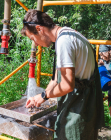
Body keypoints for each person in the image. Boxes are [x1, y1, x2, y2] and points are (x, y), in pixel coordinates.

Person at [21, 9, 104, 140]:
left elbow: (67, 85)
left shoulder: (64, 42)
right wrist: (39, 97)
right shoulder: (69, 34)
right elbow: (56, 79)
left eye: (33, 38)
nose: (36, 44)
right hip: (84, 105)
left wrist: (44, 96)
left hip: (77, 110)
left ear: (39, 29)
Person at [98, 45, 111, 116]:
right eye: (100, 55)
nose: (101, 57)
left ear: (108, 53)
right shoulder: (104, 61)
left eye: (102, 55)